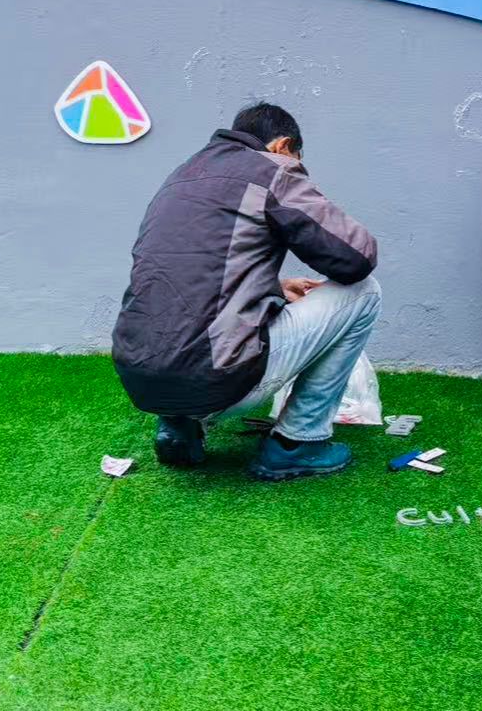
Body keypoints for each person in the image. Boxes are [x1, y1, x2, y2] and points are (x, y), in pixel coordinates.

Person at [112, 102, 380, 481]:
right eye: (296, 158)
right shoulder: (271, 169)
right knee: (365, 292)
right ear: (282, 146)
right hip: (216, 379)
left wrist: (275, 287)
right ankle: (298, 443)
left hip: (140, 380)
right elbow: (356, 258)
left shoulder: (180, 177)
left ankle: (178, 423)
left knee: (179, 330)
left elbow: (191, 276)